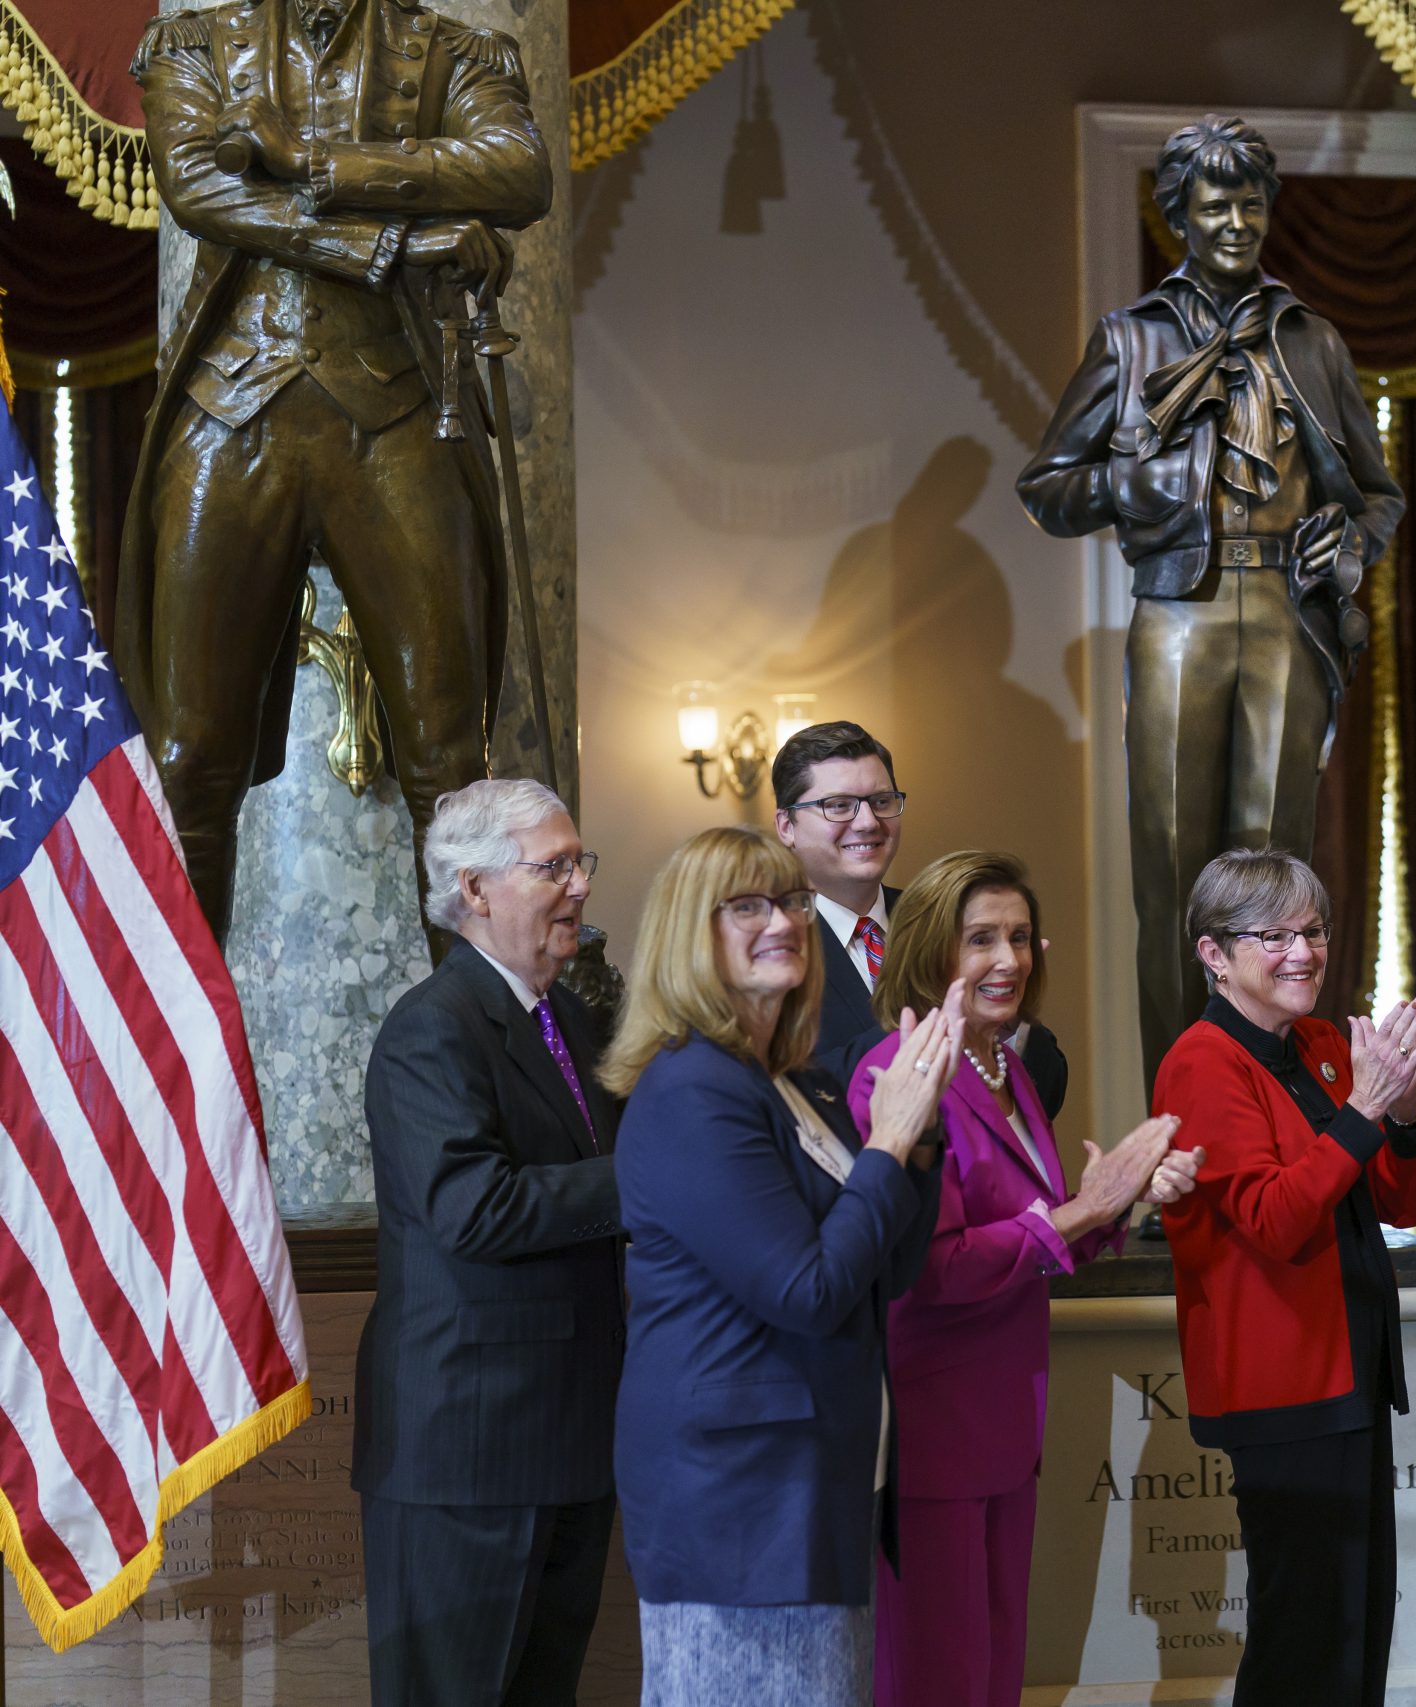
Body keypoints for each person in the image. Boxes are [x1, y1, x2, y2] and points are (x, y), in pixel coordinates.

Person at [125, 0, 549, 937]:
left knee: (452, 768)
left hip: (398, 408)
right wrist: (393, 241)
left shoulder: (458, 51)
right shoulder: (196, 46)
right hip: (233, 406)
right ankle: (191, 1068)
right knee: (191, 755)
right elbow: (199, 188)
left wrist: (320, 165)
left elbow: (518, 171)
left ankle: (474, 1058)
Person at [1018, 115, 1404, 1083]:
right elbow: (1048, 488)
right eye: (1214, 203)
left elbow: (1377, 490)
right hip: (1178, 611)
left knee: (1275, 882)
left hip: (1284, 607)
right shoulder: (1132, 339)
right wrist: (1126, 487)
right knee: (1175, 880)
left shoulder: (1310, 339)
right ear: (1178, 215)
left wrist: (1347, 541)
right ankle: (1181, 1118)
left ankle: (1276, 1108)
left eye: (1251, 202)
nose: (1237, 220)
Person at [602, 826, 950, 1704]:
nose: (784, 920)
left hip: (814, 1482)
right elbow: (807, 1288)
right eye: (748, 905)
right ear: (692, 931)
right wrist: (891, 1138)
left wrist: (917, 1138)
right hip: (740, 1501)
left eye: (793, 901)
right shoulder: (691, 1089)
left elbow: (888, 1267)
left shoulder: (796, 1083)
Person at [851, 851, 1197, 1707]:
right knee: (942, 1676)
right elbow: (929, 1270)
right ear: (932, 952)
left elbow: (1044, 1236)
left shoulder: (1006, 1067)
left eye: (1017, 936)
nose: (1008, 959)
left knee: (999, 1668)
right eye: (980, 939)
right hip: (935, 1427)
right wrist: (1078, 1213)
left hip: (1007, 1419)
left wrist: (1117, 1197)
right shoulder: (894, 1073)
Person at [1154, 848, 1416, 1707]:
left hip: (1351, 1367)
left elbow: (1398, 1198)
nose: (1303, 952)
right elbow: (1277, 1221)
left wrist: (1402, 1108)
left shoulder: (1322, 1042)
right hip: (1280, 1386)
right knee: (1303, 1635)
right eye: (1274, 936)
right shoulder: (1202, 1061)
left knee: (1357, 1622)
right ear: (1214, 953)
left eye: (1313, 930)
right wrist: (1364, 1110)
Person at [354, 780, 623, 1707]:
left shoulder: (575, 1023)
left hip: (570, 1442)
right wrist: (658, 1176)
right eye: (554, 866)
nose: (579, 886)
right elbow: (476, 1207)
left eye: (578, 863)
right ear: (474, 888)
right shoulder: (431, 1028)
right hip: (466, 1454)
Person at [771, 720, 1068, 1119]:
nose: (867, 822)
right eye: (839, 805)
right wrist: (939, 1019)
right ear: (787, 827)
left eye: (881, 801)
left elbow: (1044, 1092)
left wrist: (1006, 1023)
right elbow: (787, 1097)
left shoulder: (944, 919)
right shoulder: (770, 945)